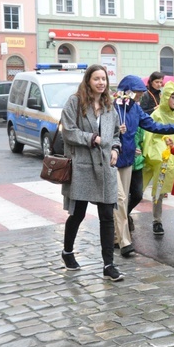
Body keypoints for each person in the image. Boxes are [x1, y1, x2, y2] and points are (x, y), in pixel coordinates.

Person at [59, 65, 123, 281]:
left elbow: (115, 133)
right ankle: (67, 252)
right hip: (82, 166)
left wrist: (115, 149)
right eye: (96, 79)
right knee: (77, 214)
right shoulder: (75, 102)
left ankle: (108, 265)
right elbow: (67, 131)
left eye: (103, 79)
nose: (101, 83)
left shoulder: (108, 106)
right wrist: (91, 138)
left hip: (105, 167)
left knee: (107, 216)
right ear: (88, 81)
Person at [112, 75, 174, 257]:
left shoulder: (136, 109)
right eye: (137, 93)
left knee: (132, 196)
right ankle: (124, 241)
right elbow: (103, 131)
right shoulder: (112, 107)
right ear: (127, 91)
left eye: (141, 93)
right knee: (120, 199)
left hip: (128, 161)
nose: (139, 97)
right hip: (112, 160)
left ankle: (116, 235)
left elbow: (153, 126)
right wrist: (116, 132)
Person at [142, 82, 174, 236]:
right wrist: (156, 152)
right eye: (173, 97)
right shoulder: (157, 114)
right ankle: (157, 220)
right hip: (162, 154)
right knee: (159, 187)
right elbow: (150, 136)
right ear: (166, 97)